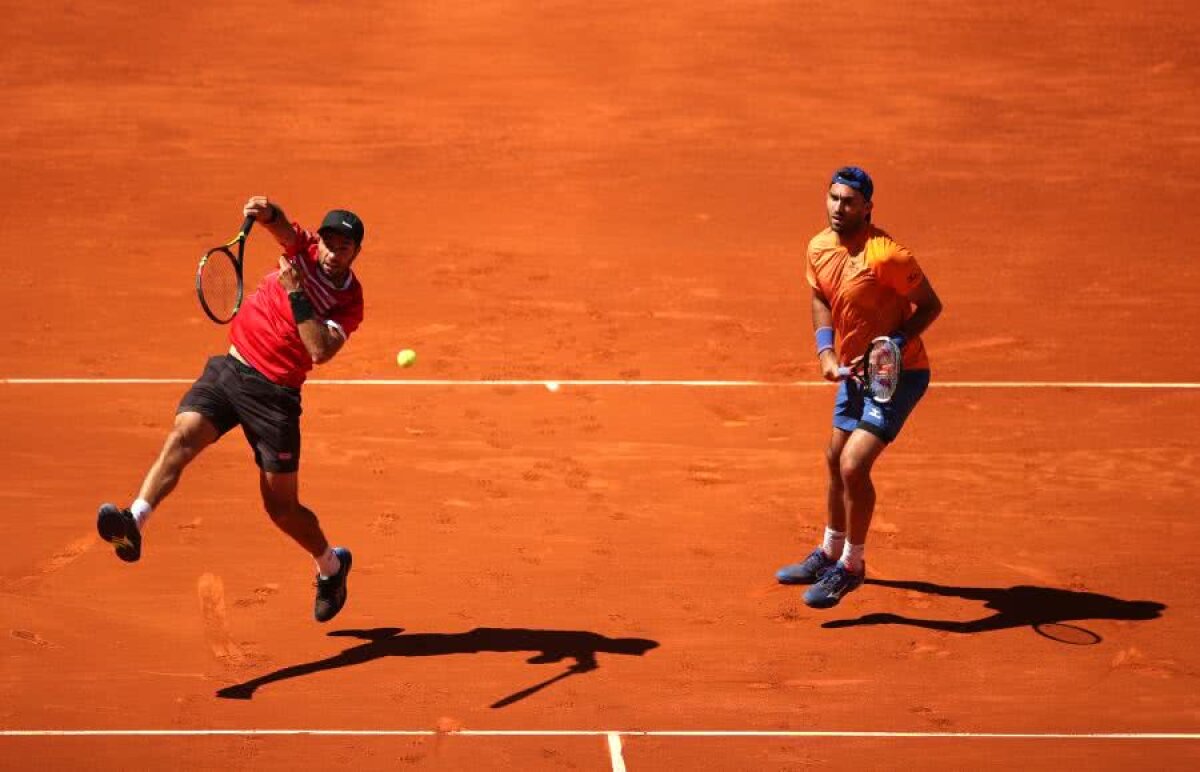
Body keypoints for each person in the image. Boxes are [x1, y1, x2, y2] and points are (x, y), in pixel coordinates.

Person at [97, 196, 366, 623]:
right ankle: (134, 521)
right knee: (184, 434)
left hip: (275, 396)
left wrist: (296, 293)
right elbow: (282, 227)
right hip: (232, 368)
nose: (332, 251)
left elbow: (319, 349)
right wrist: (266, 211)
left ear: (355, 254)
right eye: (329, 241)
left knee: (281, 508)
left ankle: (331, 566)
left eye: (344, 247)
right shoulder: (305, 250)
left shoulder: (349, 300)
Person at [776, 167, 943, 608]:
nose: (838, 207)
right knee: (834, 459)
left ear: (868, 207)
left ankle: (852, 566)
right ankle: (829, 551)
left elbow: (930, 304)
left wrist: (895, 345)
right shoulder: (818, 247)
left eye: (848, 201)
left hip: (897, 376)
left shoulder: (888, 257)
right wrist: (826, 354)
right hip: (854, 371)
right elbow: (820, 298)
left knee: (853, 465)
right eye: (833, 198)